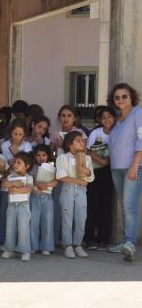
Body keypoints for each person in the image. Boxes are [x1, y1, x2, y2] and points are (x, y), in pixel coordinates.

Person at [107, 83, 142, 261]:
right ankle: (125, 241)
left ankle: (130, 243)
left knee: (129, 206)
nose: (120, 100)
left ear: (131, 97)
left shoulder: (138, 113)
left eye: (124, 96)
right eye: (117, 97)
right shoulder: (118, 119)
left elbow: (141, 139)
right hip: (117, 168)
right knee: (124, 206)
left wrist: (135, 164)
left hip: (132, 167)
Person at [57, 131, 95, 259]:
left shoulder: (87, 158)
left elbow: (90, 179)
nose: (82, 142)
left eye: (83, 141)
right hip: (68, 190)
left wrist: (88, 172)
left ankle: (78, 244)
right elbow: (61, 176)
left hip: (81, 192)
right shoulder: (63, 157)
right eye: (78, 140)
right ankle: (68, 245)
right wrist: (79, 181)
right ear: (70, 144)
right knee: (67, 217)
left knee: (81, 217)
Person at [85, 106, 114, 250]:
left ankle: (103, 239)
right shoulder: (95, 132)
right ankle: (89, 238)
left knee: (106, 206)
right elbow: (87, 151)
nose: (107, 120)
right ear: (99, 120)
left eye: (109, 116)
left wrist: (98, 157)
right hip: (94, 172)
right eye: (103, 117)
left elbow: (106, 161)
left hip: (109, 173)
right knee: (92, 205)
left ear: (114, 118)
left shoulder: (117, 133)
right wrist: (99, 158)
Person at [0, 152, 33, 262]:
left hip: (24, 205)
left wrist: (15, 189)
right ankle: (9, 249)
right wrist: (13, 184)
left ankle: (25, 250)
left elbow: (28, 188)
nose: (15, 165)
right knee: (10, 227)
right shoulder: (11, 176)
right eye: (15, 162)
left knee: (24, 228)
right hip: (12, 205)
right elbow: (4, 184)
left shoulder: (28, 177)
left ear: (27, 166)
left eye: (19, 163)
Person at [30, 144, 57, 255]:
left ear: (48, 156)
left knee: (47, 222)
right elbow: (28, 181)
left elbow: (56, 181)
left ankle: (46, 246)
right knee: (33, 222)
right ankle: (33, 246)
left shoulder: (52, 167)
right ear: (34, 156)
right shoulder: (32, 167)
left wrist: (46, 184)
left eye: (44, 155)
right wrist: (36, 184)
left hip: (47, 197)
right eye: (38, 155)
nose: (41, 157)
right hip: (34, 196)